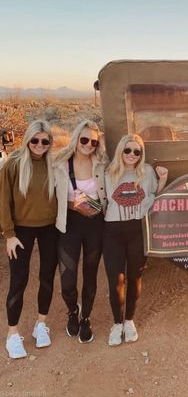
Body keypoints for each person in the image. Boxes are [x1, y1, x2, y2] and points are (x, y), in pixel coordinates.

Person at [0, 120, 58, 359]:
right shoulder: (13, 164)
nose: (40, 145)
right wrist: (9, 234)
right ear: (27, 140)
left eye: (45, 141)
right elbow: (3, 202)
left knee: (46, 277)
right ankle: (12, 334)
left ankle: (40, 324)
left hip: (50, 229)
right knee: (18, 280)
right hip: (21, 231)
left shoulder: (54, 164)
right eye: (35, 140)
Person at [103, 134, 168, 346]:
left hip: (137, 229)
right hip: (112, 229)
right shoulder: (109, 172)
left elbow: (153, 198)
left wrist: (164, 180)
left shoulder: (147, 172)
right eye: (127, 150)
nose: (132, 155)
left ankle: (129, 320)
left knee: (134, 277)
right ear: (120, 150)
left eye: (136, 151)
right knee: (116, 280)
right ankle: (117, 323)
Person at [54, 120, 108, 343]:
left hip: (95, 224)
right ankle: (72, 311)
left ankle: (85, 317)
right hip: (69, 224)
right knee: (67, 276)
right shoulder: (59, 163)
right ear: (76, 139)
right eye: (84, 139)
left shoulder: (101, 164)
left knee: (90, 274)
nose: (88, 145)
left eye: (93, 142)